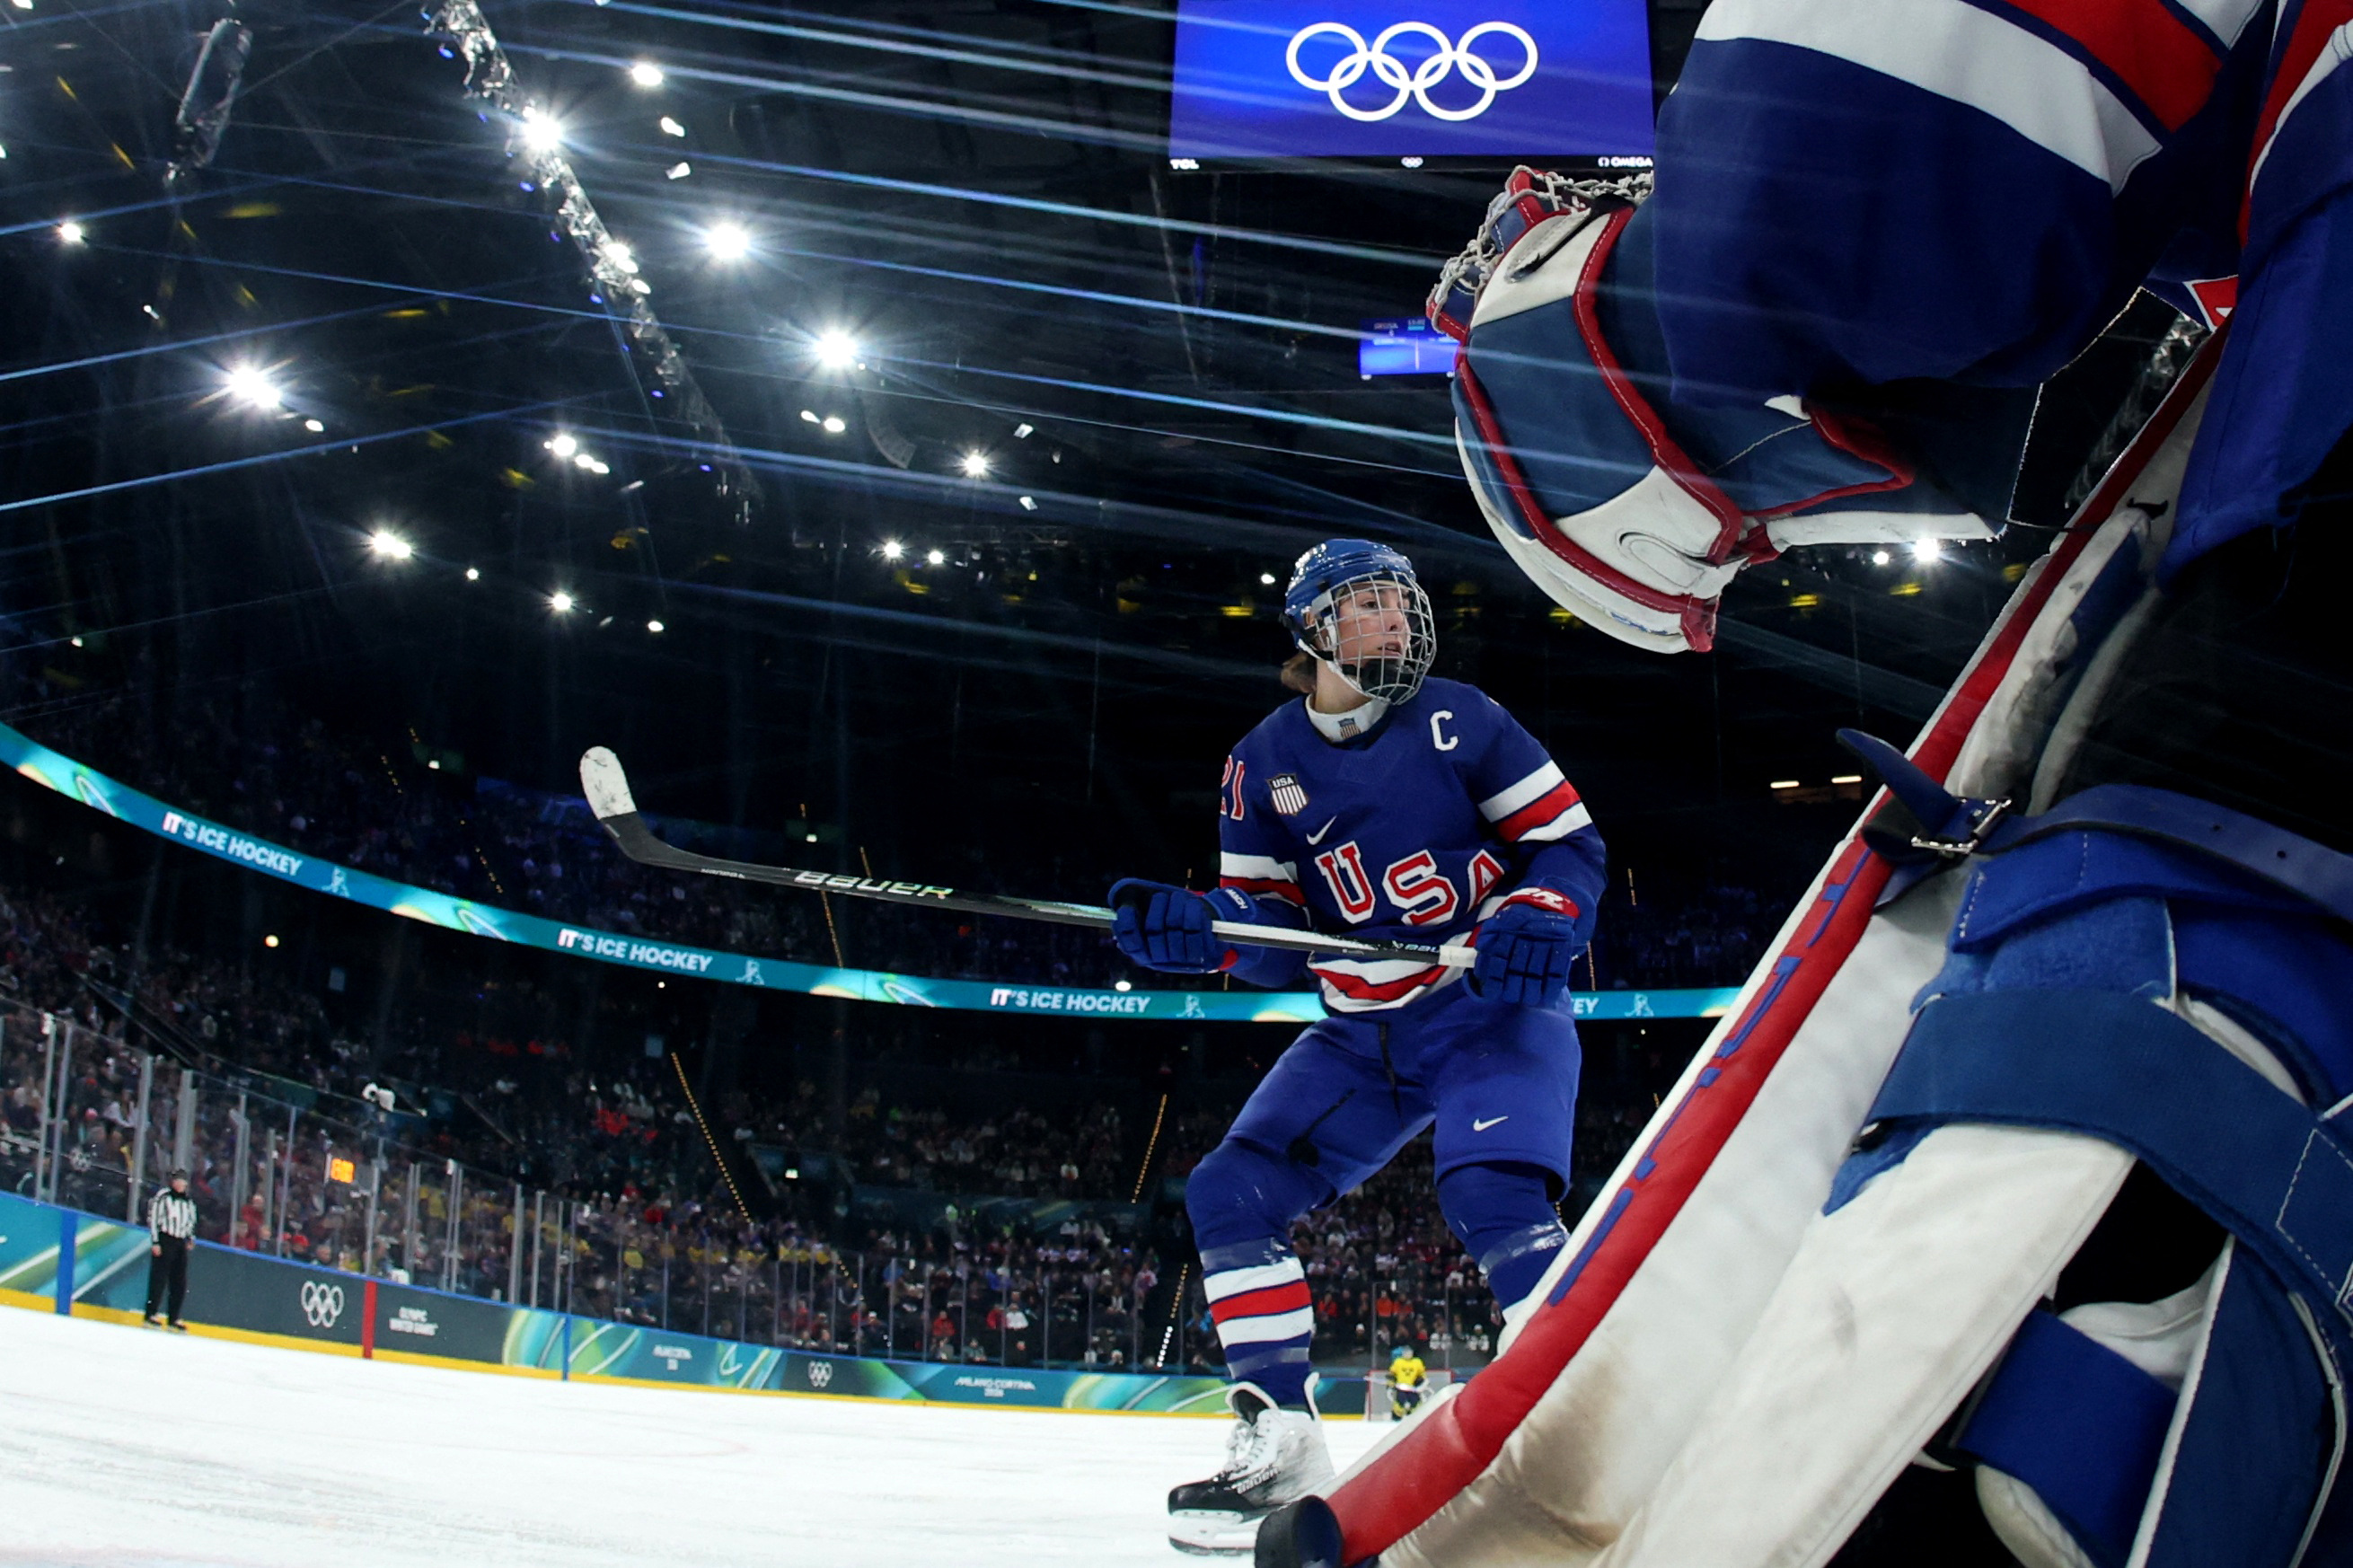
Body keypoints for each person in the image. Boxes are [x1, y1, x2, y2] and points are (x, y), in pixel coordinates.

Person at [1111, 539, 1605, 1555]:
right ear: (1312, 630)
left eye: (1402, 601)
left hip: (1485, 1011)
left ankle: (1586, 1403)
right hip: (1360, 1036)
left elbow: (1567, 847)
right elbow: (1264, 935)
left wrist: (1542, 912)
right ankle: (1282, 1435)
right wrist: (1199, 928)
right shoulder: (1260, 759)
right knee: (1227, 1191)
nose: (1396, 619)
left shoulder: (1465, 717)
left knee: (1489, 1192)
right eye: (1369, 603)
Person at [144, 1169, 197, 1330]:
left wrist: (190, 1237)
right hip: (165, 1239)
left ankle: (174, 1317)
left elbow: (191, 1221)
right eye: (178, 1180)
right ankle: (151, 1314)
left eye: (183, 1181)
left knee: (179, 1282)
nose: (180, 1184)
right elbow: (154, 1219)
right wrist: (155, 1241)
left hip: (180, 1241)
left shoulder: (188, 1202)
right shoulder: (163, 1197)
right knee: (159, 1279)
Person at [1387, 1343, 1428, 1421]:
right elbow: (1392, 1373)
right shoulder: (1398, 1362)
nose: (1408, 1354)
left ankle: (1415, 1418)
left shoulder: (1417, 1362)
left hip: (1413, 1388)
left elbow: (1422, 1374)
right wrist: (1391, 1382)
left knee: (1416, 1405)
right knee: (1399, 1404)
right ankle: (1397, 1418)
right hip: (1401, 1387)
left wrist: (1421, 1382)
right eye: (1406, 1352)